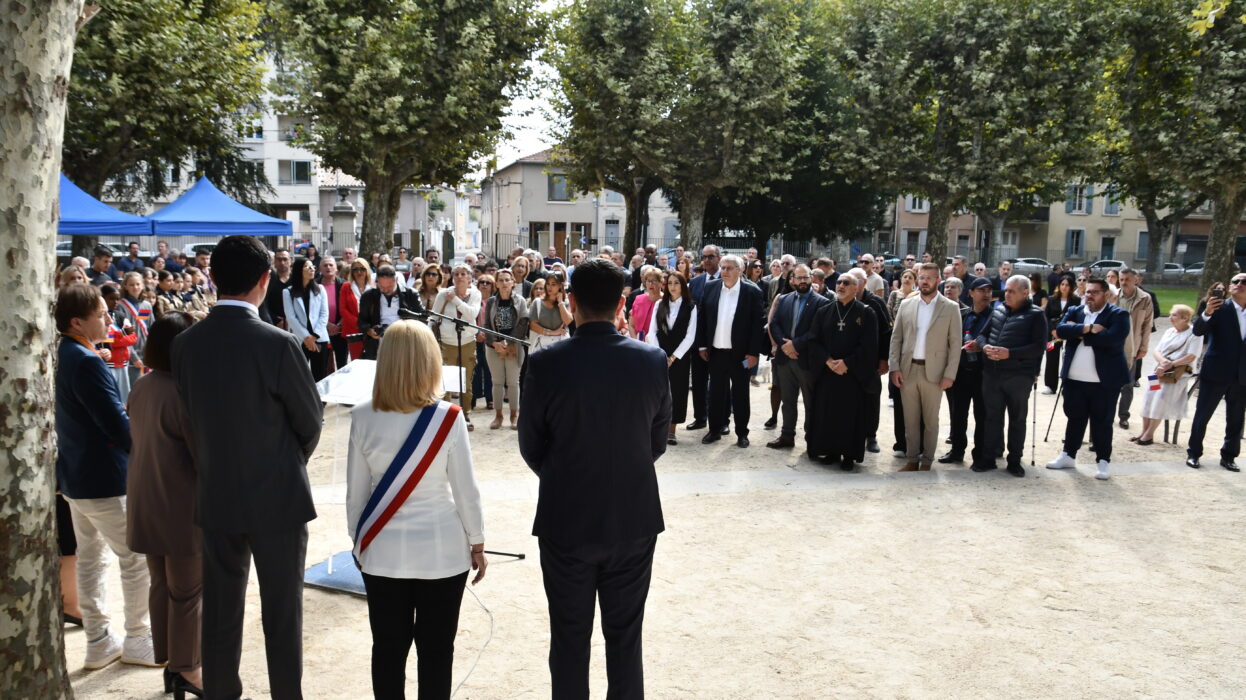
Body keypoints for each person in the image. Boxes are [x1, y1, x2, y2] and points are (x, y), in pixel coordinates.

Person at [171, 235, 324, 699]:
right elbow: (310, 422)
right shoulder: (277, 344)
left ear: (213, 278)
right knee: (282, 613)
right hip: (278, 493)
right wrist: (287, 461)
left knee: (220, 612)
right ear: (263, 281)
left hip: (217, 490)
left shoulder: (185, 344)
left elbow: (191, 420)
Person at [518, 258, 669, 699]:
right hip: (632, 514)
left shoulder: (547, 363)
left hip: (567, 516)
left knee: (569, 636)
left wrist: (567, 475)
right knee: (625, 637)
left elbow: (531, 445)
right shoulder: (651, 360)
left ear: (571, 300)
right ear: (622, 302)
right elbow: (656, 441)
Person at [346, 320, 486, 700]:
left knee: (387, 652)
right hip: (442, 552)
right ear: (430, 362)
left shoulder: (361, 416)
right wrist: (477, 542)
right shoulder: (449, 417)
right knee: (437, 653)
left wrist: (360, 545)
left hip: (383, 551)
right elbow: (465, 490)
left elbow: (355, 497)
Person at [54, 283, 157, 670]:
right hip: (103, 478)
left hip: (78, 476)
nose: (108, 318)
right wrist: (147, 454)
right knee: (136, 559)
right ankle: (137, 636)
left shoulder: (70, 353)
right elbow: (116, 423)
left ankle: (99, 639)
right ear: (78, 321)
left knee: (91, 559)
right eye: (101, 314)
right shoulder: (85, 360)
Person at [126, 312, 203, 697]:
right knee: (187, 593)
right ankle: (186, 668)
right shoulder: (183, 391)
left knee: (163, 585)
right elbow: (202, 455)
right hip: (180, 504)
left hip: (146, 500)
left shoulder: (143, 386)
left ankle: (170, 661)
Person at [1046, 277, 1130, 480]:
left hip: (1104, 381)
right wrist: (1087, 328)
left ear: (1106, 295)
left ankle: (1103, 461)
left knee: (1102, 422)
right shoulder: (1076, 311)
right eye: (1087, 292)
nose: (1088, 295)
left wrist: (1079, 333)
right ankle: (1068, 455)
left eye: (1094, 292)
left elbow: (1112, 339)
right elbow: (1060, 330)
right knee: (1074, 418)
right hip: (1074, 379)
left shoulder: (1118, 314)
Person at [970, 275, 1048, 477]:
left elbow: (1039, 347)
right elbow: (982, 335)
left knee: (1017, 419)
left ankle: (1014, 460)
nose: (1007, 294)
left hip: (1019, 376)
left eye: (1012, 291)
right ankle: (988, 458)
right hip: (992, 373)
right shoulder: (998, 310)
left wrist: (1010, 353)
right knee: (991, 417)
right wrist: (984, 346)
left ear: (1025, 292)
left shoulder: (1036, 315)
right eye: (1006, 290)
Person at [889, 263, 963, 471]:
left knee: (931, 421)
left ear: (938, 280)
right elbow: (896, 339)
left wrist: (950, 374)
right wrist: (895, 367)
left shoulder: (950, 307)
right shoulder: (906, 305)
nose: (925, 281)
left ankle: (927, 461)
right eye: (922, 277)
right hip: (908, 370)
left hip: (935, 372)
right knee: (910, 420)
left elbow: (955, 344)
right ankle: (912, 459)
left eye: (930, 277)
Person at [806, 273, 879, 469]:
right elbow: (813, 340)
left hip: (852, 375)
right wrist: (828, 361)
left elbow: (869, 346)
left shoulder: (866, 313)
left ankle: (848, 455)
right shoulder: (824, 311)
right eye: (839, 282)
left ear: (856, 287)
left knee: (849, 416)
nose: (841, 285)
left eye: (846, 283)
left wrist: (847, 363)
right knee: (827, 413)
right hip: (828, 373)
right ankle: (830, 451)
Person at [696, 254, 766, 447]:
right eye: (723, 267)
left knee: (741, 395)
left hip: (741, 355)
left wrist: (753, 354)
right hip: (716, 352)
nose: (725, 271)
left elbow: (757, 326)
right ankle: (715, 430)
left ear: (740, 270)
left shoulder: (752, 292)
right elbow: (702, 319)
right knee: (716, 394)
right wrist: (702, 345)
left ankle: (742, 433)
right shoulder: (710, 287)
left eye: (729, 268)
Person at [1185, 275, 1246, 472]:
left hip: (1242, 375)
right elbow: (1198, 331)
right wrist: (1207, 313)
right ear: (1229, 287)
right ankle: (1194, 453)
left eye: (1244, 282)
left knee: (1236, 418)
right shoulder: (1218, 308)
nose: (1239, 285)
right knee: (1203, 415)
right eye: (1235, 282)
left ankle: (1229, 456)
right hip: (1216, 371)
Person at [766, 265, 828, 449]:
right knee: (788, 401)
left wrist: (795, 344)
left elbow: (817, 332)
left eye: (805, 277)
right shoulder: (784, 299)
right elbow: (774, 323)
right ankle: (787, 436)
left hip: (807, 360)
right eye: (798, 278)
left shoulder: (822, 302)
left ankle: (812, 439)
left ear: (811, 278)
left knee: (810, 402)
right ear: (792, 280)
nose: (802, 281)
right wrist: (784, 346)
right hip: (785, 360)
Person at [940, 277, 994, 465]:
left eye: (989, 291)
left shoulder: (995, 317)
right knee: (958, 414)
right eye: (981, 290)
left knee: (982, 416)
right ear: (971, 293)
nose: (986, 294)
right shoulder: (961, 315)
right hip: (962, 373)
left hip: (983, 374)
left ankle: (980, 454)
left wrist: (981, 346)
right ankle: (956, 451)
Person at [1132, 304, 1202, 445]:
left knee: (1160, 397)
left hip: (1180, 372)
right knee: (1148, 397)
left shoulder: (1195, 334)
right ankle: (1144, 431)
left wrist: (1170, 364)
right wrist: (1163, 362)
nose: (1170, 318)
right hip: (1158, 370)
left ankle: (1149, 434)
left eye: (1174, 315)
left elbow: (1191, 356)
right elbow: (1156, 350)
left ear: (1185, 318)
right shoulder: (1170, 331)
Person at [646, 270, 699, 445]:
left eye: (676, 283)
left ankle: (671, 430)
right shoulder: (659, 304)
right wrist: (660, 353)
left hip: (679, 357)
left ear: (683, 286)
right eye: (670, 283)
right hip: (659, 355)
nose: (673, 287)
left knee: (677, 391)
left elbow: (690, 336)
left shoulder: (691, 307)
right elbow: (651, 332)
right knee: (657, 391)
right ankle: (654, 428)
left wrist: (673, 357)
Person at [431, 264, 483, 422]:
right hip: (446, 343)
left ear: (469, 277)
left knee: (466, 382)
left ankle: (465, 416)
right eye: (456, 274)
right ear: (452, 278)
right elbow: (433, 317)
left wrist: (455, 300)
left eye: (463, 274)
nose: (459, 277)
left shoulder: (475, 294)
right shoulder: (443, 294)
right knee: (446, 382)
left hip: (467, 342)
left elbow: (472, 314)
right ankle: (447, 417)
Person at [482, 269, 528, 430]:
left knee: (513, 383)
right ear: (496, 283)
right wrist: (495, 343)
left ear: (513, 282)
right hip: (493, 347)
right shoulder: (490, 302)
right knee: (497, 382)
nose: (504, 283)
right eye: (500, 280)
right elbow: (486, 324)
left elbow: (523, 323)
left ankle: (514, 416)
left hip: (514, 345)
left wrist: (508, 342)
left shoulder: (520, 301)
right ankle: (498, 416)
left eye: (507, 280)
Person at [685, 246, 722, 431]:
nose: (707, 260)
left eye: (711, 256)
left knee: (720, 384)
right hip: (698, 341)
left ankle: (722, 421)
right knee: (699, 382)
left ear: (719, 258)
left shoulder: (728, 279)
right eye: (704, 257)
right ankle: (700, 417)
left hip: (721, 341)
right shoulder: (696, 282)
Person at [1114, 268, 1154, 431]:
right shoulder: (1114, 295)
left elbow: (1147, 324)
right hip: (1114, 345)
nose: (1123, 282)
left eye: (1127, 279)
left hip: (1133, 346)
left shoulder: (1145, 298)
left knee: (1128, 384)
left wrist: (1144, 347)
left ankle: (1123, 415)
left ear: (1135, 280)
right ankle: (1108, 413)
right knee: (1109, 382)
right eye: (1121, 279)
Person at [358, 266, 424, 361]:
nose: (385, 290)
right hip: (379, 344)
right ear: (377, 282)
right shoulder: (368, 296)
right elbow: (361, 321)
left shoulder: (411, 294)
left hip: (405, 341)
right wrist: (369, 330)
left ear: (396, 280)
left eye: (389, 287)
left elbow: (421, 319)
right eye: (381, 287)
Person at [284, 256, 332, 381]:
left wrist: (314, 336)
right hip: (300, 339)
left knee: (320, 375)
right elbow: (291, 317)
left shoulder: (320, 289)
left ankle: (320, 400)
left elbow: (324, 314)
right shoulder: (288, 292)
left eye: (313, 266)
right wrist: (307, 337)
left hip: (319, 338)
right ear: (299, 270)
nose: (312, 269)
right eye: (307, 266)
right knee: (299, 375)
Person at [1042, 276, 1079, 394]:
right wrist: (1052, 330)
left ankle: (1066, 386)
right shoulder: (1052, 299)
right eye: (1062, 284)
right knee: (1051, 358)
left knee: (1068, 357)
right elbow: (1046, 317)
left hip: (1069, 334)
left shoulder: (1076, 300)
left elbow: (1077, 317)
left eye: (1067, 285)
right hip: (1053, 335)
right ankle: (1050, 385)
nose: (1064, 287)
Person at [529, 272, 574, 352]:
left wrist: (560, 303)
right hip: (540, 347)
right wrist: (553, 332)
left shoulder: (566, 303)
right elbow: (533, 325)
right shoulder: (537, 302)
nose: (549, 287)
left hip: (560, 347)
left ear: (560, 285)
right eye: (548, 284)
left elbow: (567, 321)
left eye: (553, 284)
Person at [340, 260, 373, 361]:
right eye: (355, 270)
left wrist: (368, 327)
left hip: (371, 330)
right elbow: (343, 309)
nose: (359, 272)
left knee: (372, 361)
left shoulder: (374, 286)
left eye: (362, 269)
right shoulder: (346, 286)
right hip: (353, 330)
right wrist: (359, 324)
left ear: (367, 270)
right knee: (356, 360)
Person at [320, 257, 348, 371]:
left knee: (343, 365)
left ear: (336, 269)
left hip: (340, 330)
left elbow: (349, 306)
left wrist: (339, 324)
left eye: (331, 265)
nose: (328, 267)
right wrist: (327, 324)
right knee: (322, 365)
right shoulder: (314, 285)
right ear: (320, 269)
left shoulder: (344, 285)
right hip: (321, 330)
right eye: (325, 265)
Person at [629, 267, 663, 340]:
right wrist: (637, 342)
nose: (650, 284)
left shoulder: (666, 301)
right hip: (638, 342)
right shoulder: (638, 299)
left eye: (654, 281)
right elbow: (631, 325)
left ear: (661, 282)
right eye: (648, 281)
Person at [265, 248, 294, 327]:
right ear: (274, 261)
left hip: (296, 325)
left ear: (290, 261)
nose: (282, 262)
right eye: (279, 259)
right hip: (273, 324)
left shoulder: (297, 280)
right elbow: (264, 303)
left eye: (285, 259)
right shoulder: (268, 280)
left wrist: (290, 320)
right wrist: (275, 320)